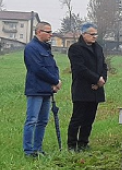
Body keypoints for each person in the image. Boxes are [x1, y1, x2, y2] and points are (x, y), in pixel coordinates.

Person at [67, 22, 108, 152]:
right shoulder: (76, 48)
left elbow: (103, 66)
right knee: (78, 118)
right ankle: (72, 144)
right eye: (92, 34)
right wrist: (96, 79)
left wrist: (101, 80)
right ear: (83, 34)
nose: (94, 37)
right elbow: (80, 68)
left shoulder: (98, 48)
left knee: (89, 118)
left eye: (96, 34)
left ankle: (84, 143)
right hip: (82, 89)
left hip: (96, 89)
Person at [23, 21, 62, 158]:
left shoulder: (46, 48)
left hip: (47, 89)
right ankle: (28, 151)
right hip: (35, 89)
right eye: (48, 32)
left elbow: (53, 67)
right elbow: (38, 69)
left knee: (43, 121)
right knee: (32, 120)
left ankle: (37, 149)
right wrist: (54, 81)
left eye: (51, 32)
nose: (50, 34)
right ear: (39, 32)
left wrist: (56, 82)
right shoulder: (31, 48)